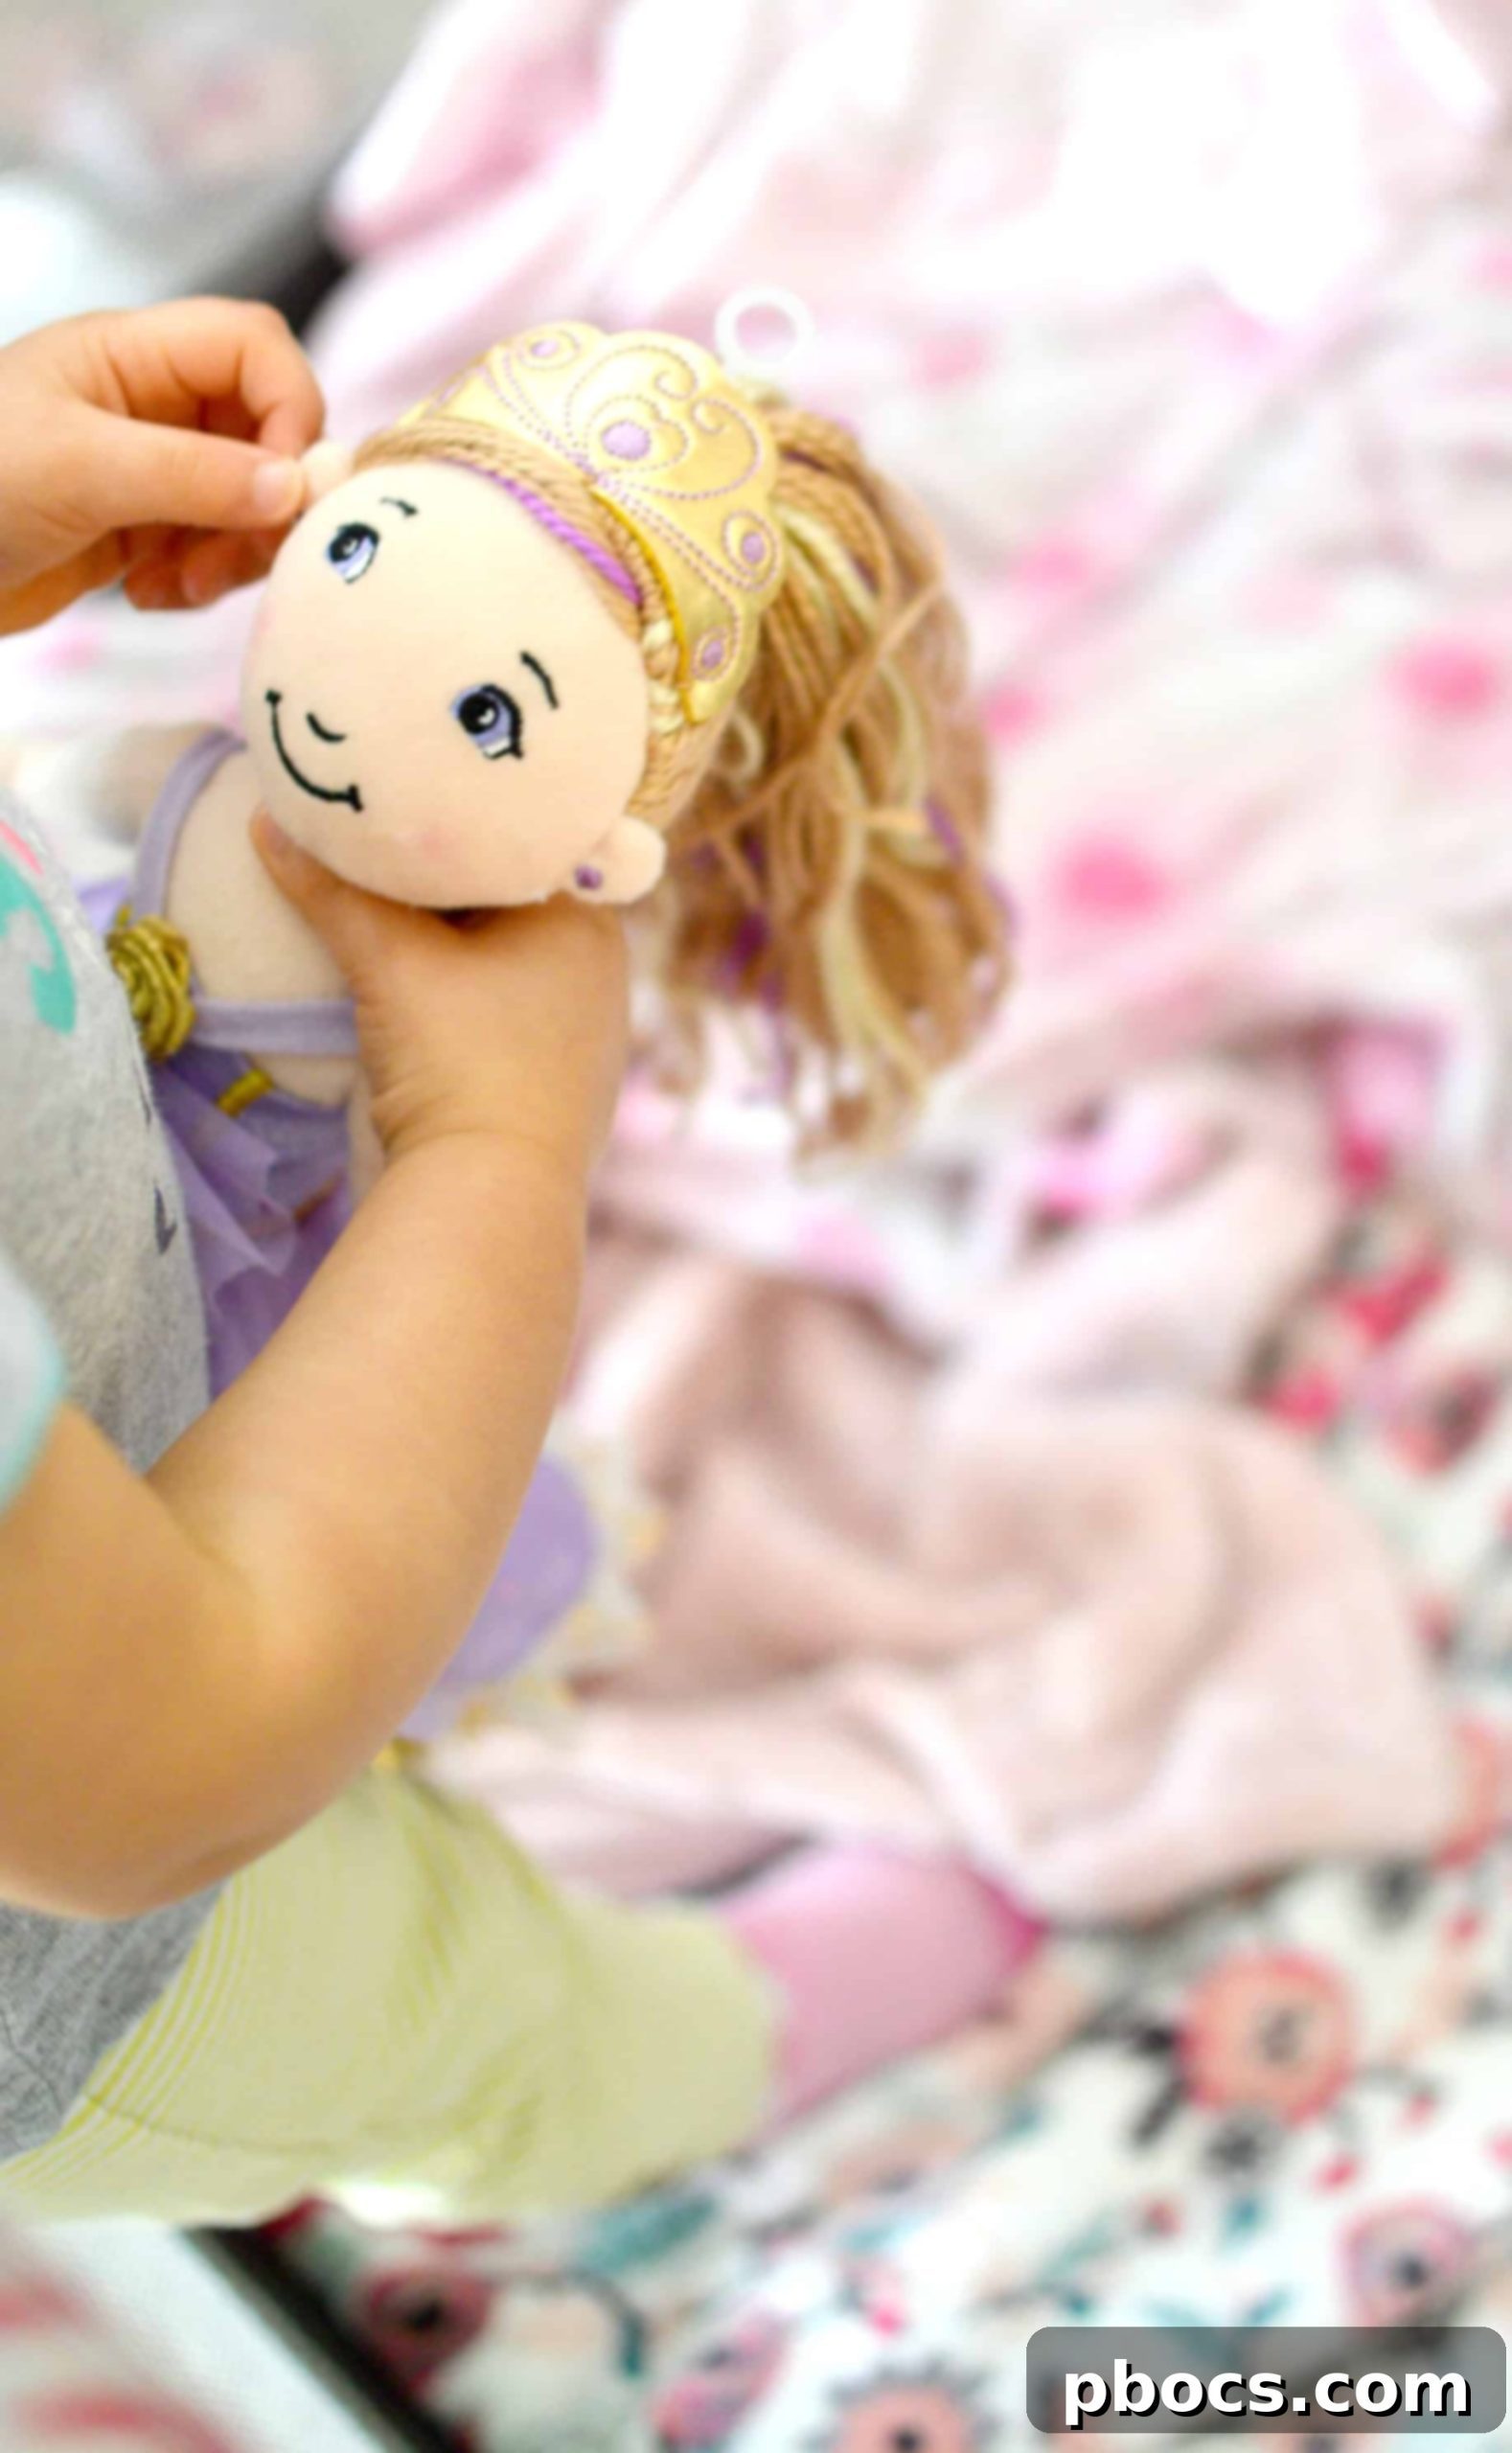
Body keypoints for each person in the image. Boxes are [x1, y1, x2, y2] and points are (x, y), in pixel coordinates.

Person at [0, 300, 1034, 2227]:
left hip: (142, 1293)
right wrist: (501, 1149)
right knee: (463, 2007)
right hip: (103, 1957)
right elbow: (167, 1758)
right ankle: (725, 2036)